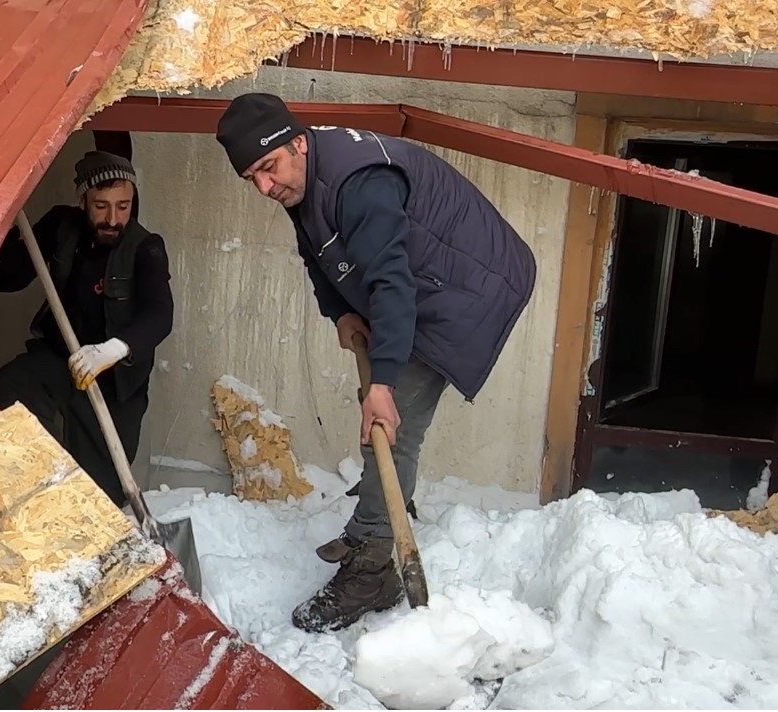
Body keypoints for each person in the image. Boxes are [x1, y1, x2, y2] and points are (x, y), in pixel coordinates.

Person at [215, 93, 537, 632]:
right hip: (420, 279)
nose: (265, 187)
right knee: (382, 421)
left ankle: (372, 569)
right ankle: (381, 511)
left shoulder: (359, 182)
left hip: (467, 286)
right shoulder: (303, 176)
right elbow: (315, 251)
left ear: (297, 143)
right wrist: (341, 311)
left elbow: (392, 284)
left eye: (269, 168)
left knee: (390, 427)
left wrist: (383, 382)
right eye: (253, 178)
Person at [0, 151, 174, 508]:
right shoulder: (62, 226)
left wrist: (114, 349)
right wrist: (4, 217)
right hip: (62, 359)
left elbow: (160, 314)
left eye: (123, 206)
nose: (113, 219)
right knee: (14, 382)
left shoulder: (145, 248)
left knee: (102, 493)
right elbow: (7, 279)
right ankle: (41, 482)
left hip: (115, 378)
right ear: (83, 201)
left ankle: (84, 509)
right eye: (101, 206)